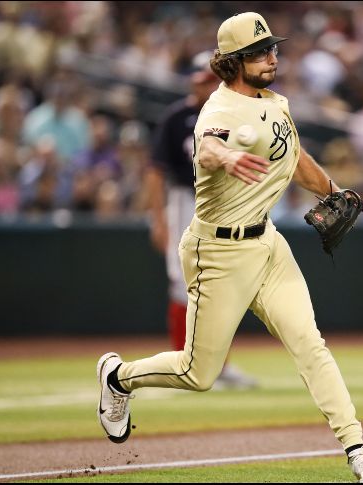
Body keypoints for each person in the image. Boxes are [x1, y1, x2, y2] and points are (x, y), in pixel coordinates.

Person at [95, 12, 363, 483]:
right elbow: (207, 149)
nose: (272, 55)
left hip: (268, 246)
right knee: (198, 373)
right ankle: (117, 377)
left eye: (273, 47)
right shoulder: (217, 111)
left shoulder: (276, 104)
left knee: (310, 345)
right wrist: (228, 155)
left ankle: (359, 451)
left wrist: (332, 189)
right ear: (234, 61)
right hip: (218, 252)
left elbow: (296, 161)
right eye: (260, 51)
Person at [146, 52, 258, 390]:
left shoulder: (233, 114)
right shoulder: (177, 117)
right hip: (184, 200)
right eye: (198, 80)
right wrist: (158, 219)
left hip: (223, 201)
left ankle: (219, 365)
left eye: (208, 80)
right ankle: (183, 361)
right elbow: (156, 173)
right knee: (183, 284)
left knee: (223, 284)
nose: (203, 86)